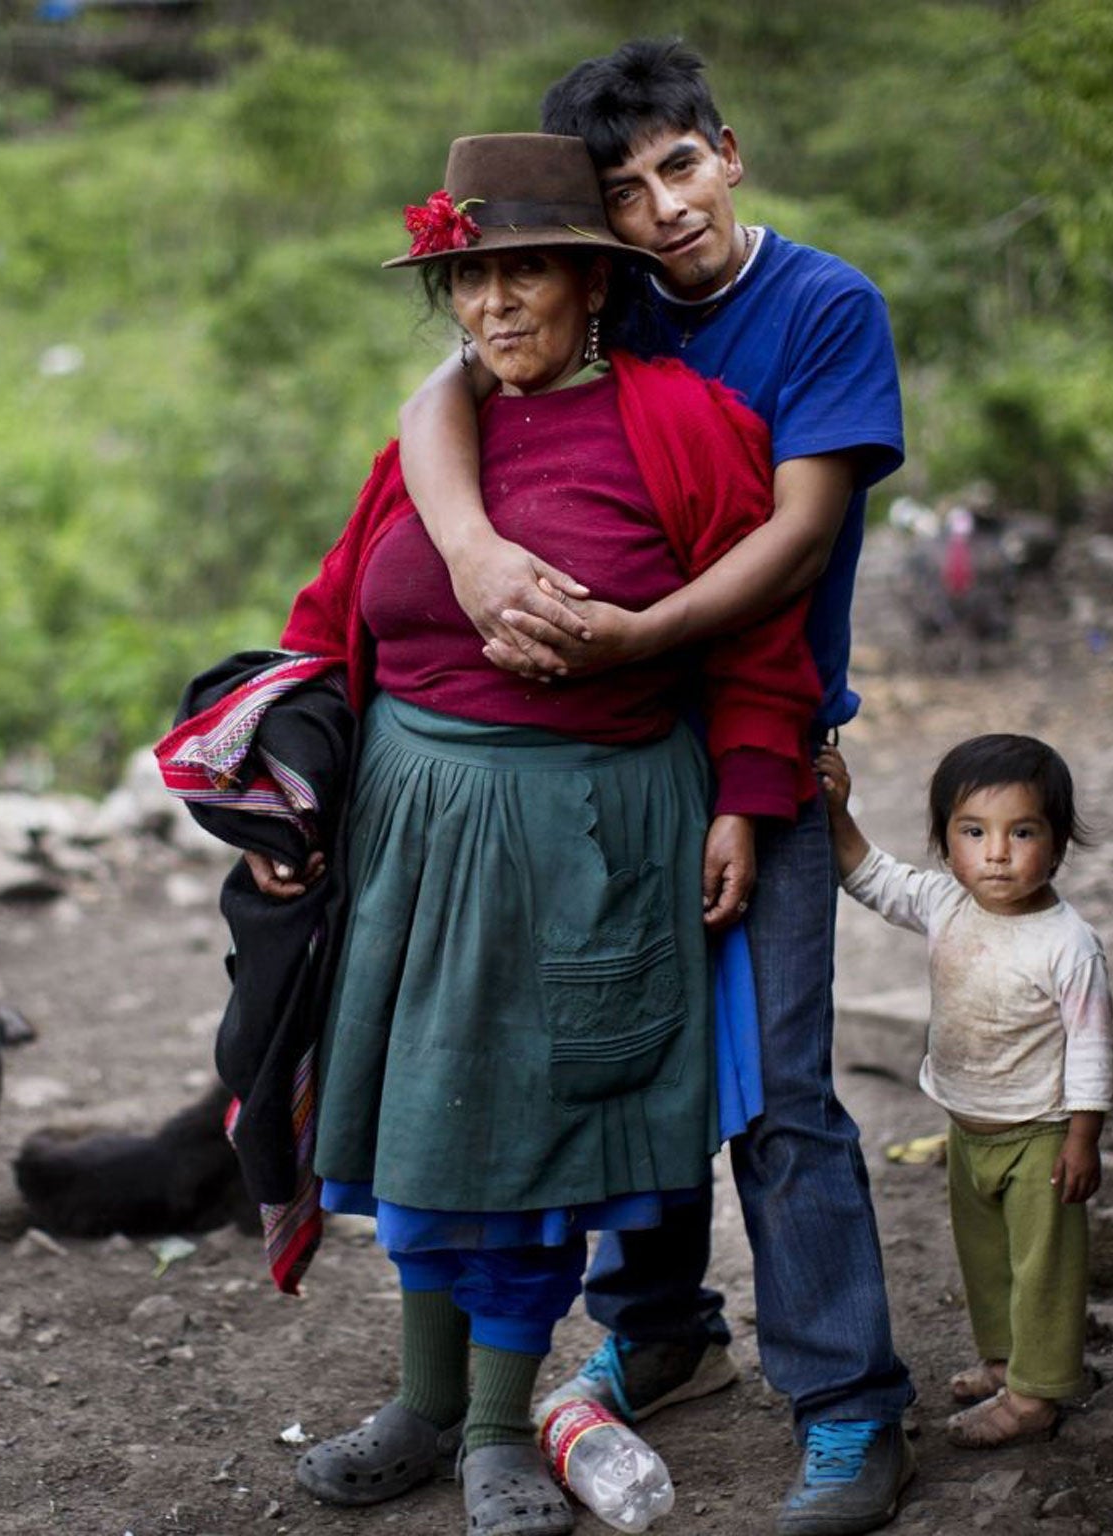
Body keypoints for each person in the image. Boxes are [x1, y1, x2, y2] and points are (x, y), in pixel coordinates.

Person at [260, 133, 822, 1536]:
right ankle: (425, 1403)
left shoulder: (685, 425)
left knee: (532, 1134)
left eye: (524, 274)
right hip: (414, 830)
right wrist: (287, 796)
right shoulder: (426, 445)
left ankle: (504, 1432)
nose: (495, 306)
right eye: (469, 281)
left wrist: (750, 795)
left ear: (590, 282)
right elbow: (329, 622)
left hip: (587, 833)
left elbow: (762, 636)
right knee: (423, 1130)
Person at [395, 38, 917, 1536]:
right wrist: (477, 555)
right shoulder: (597, 313)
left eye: (679, 167)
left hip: (762, 748)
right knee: (630, 1057)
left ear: (729, 152)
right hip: (609, 769)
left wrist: (640, 637)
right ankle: (666, 1320)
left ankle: (849, 1401)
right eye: (623, 194)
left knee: (784, 1090)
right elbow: (443, 390)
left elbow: (797, 540)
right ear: (591, 235)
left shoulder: (819, 306)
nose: (664, 207)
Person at [816, 734, 1113, 1449]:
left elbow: (1092, 1047)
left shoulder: (1067, 944)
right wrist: (837, 813)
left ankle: (1036, 1397)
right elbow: (872, 877)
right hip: (967, 1129)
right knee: (984, 1258)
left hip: (1039, 1136)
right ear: (945, 841)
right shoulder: (947, 902)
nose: (998, 853)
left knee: (1042, 1268)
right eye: (974, 832)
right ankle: (1006, 1362)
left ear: (1060, 843)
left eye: (1023, 832)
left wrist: (1083, 1138)